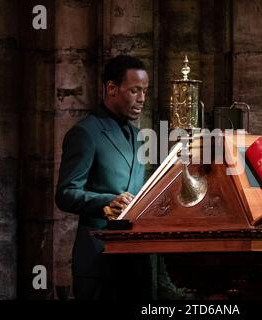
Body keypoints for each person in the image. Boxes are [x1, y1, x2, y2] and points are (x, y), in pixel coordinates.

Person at [55, 55, 151, 300]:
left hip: (136, 259)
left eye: (145, 91)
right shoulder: (85, 133)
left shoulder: (139, 136)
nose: (142, 99)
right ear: (111, 88)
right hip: (98, 261)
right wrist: (107, 202)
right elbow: (65, 194)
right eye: (134, 90)